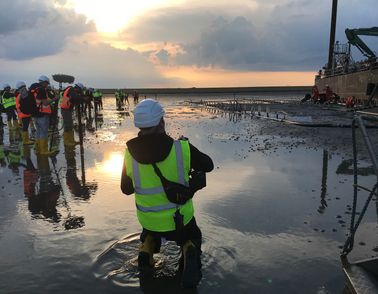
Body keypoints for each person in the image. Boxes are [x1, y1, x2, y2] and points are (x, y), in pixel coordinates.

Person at [120, 99, 213, 288]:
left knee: (150, 233)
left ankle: (147, 249)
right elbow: (208, 165)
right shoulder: (182, 149)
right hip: (181, 219)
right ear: (161, 122)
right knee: (193, 234)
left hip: (149, 220)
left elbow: (126, 189)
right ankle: (188, 248)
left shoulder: (129, 155)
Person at [30, 75, 58, 156]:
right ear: (44, 82)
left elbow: (39, 101)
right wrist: (54, 99)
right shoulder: (41, 90)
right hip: (42, 114)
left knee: (38, 132)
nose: (47, 85)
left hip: (35, 113)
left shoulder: (34, 89)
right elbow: (45, 103)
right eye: (47, 83)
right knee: (44, 132)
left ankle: (38, 149)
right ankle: (44, 150)